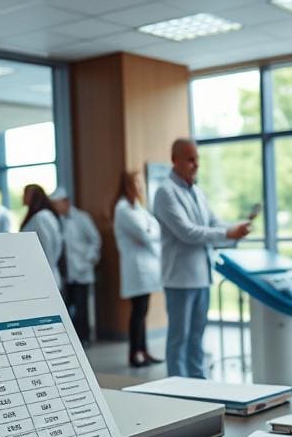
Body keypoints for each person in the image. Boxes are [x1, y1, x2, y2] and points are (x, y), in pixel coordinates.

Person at [153, 138, 251, 378]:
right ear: (175, 160)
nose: (195, 164)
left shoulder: (196, 191)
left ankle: (199, 384)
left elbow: (213, 225)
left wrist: (235, 230)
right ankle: (178, 387)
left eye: (197, 158)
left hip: (201, 275)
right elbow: (187, 232)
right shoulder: (165, 192)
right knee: (179, 337)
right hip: (180, 278)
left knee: (197, 335)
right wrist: (228, 233)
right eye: (190, 159)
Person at [113, 171, 163, 367]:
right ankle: (135, 354)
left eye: (141, 182)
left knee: (143, 312)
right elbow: (145, 234)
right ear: (127, 185)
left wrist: (151, 231)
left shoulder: (138, 208)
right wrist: (150, 231)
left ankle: (144, 351)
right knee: (138, 312)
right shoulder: (123, 209)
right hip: (136, 269)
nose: (140, 186)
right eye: (136, 182)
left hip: (147, 268)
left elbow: (156, 227)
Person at [50, 188, 101, 343]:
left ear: (66, 202)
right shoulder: (58, 221)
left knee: (82, 307)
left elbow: (95, 240)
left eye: (57, 204)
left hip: (83, 271)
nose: (56, 208)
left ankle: (84, 338)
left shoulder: (82, 218)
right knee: (69, 307)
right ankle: (73, 339)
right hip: (68, 273)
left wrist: (89, 260)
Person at [20, 183, 64, 288]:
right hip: (45, 273)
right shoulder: (42, 215)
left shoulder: (41, 217)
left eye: (25, 193)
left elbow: (48, 247)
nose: (22, 197)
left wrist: (47, 273)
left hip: (46, 276)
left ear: (33, 196)